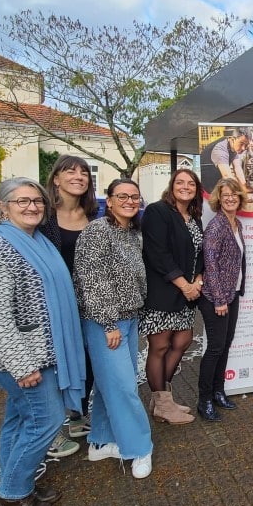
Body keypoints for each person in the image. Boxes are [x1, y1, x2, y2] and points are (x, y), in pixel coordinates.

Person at [0, 178, 85, 506]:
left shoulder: (36, 242)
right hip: (18, 358)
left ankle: (14, 483)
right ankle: (13, 496)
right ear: (3, 207)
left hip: (38, 352)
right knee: (47, 419)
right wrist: (22, 365)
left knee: (19, 418)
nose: (32, 207)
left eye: (37, 201)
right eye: (22, 201)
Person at [74, 178, 153, 479]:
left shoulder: (131, 232)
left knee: (112, 383)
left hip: (128, 318)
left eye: (134, 196)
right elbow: (92, 281)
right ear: (109, 200)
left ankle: (101, 440)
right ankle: (140, 448)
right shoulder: (97, 231)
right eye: (122, 196)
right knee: (123, 387)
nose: (130, 201)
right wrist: (108, 323)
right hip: (106, 322)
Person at [40, 154, 100, 453]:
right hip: (53, 304)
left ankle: (77, 414)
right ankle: (48, 430)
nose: (78, 177)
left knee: (87, 358)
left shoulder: (94, 215)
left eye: (84, 172)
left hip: (88, 302)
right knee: (51, 364)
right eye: (70, 172)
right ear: (56, 179)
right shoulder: (43, 217)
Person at [139, 168, 204, 425]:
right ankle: (163, 404)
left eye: (191, 183)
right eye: (180, 182)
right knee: (160, 346)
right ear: (172, 185)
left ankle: (161, 398)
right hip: (163, 291)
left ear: (196, 190)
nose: (185, 187)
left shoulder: (194, 217)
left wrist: (198, 281)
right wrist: (184, 285)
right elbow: (158, 253)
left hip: (187, 294)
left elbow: (199, 254)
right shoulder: (158, 211)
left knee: (183, 341)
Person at [198, 178, 247, 422]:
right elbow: (210, 264)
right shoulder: (216, 226)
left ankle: (219, 391)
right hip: (215, 297)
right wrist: (219, 299)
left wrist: (231, 294)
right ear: (219, 198)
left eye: (234, 194)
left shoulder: (236, 223)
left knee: (225, 345)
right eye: (225, 194)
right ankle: (204, 400)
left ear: (240, 198)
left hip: (231, 294)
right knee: (215, 348)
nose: (230, 198)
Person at [200, 129, 249, 194]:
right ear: (232, 139)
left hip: (217, 181)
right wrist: (242, 194)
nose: (243, 148)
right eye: (241, 144)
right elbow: (227, 176)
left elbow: (238, 169)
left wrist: (245, 189)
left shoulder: (233, 146)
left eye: (246, 145)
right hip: (206, 187)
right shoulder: (220, 149)